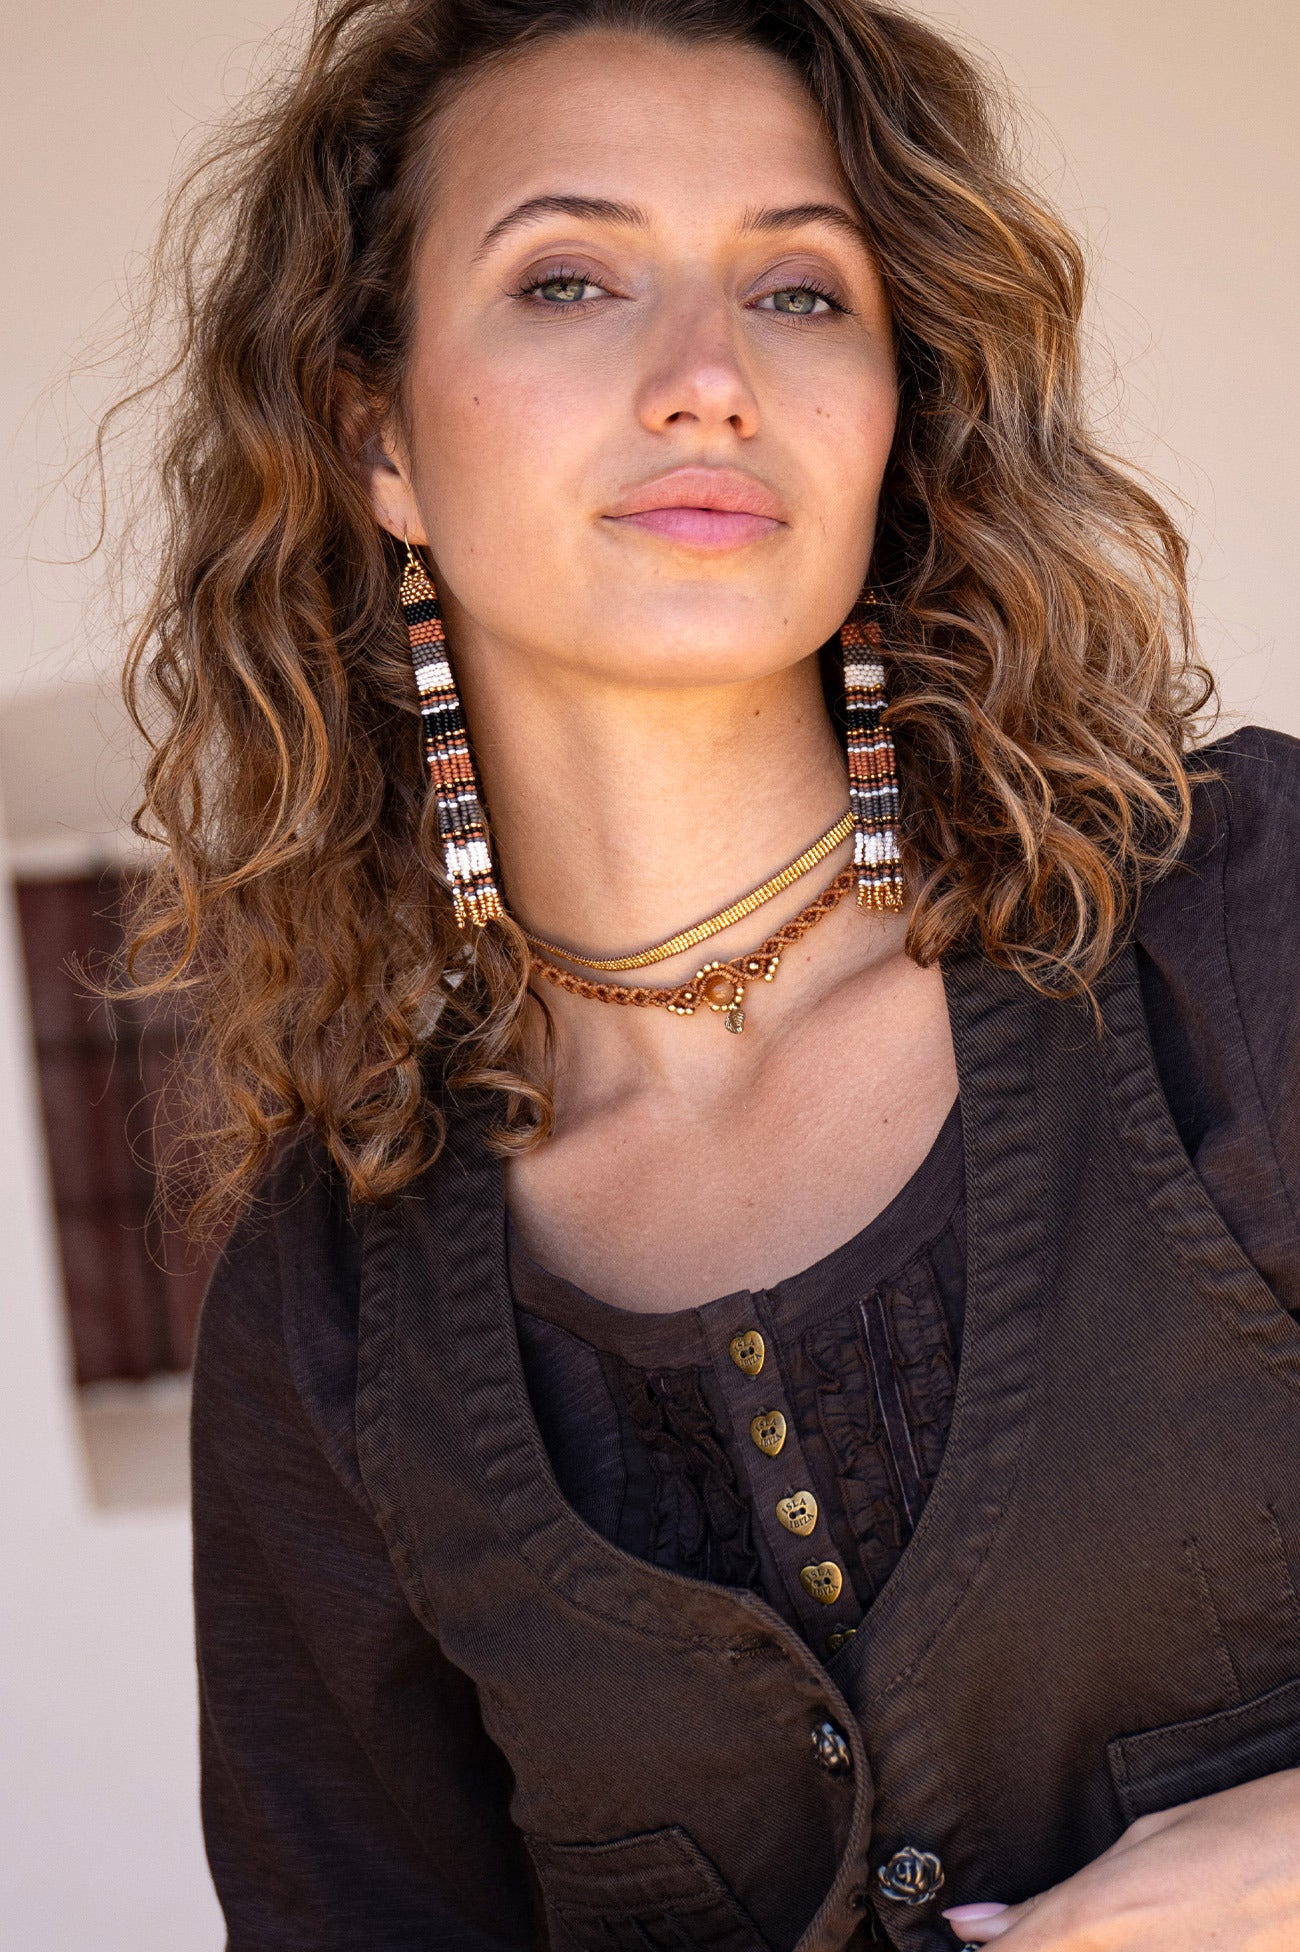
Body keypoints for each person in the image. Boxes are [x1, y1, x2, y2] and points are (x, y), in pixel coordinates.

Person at [119, 0, 1300, 1945]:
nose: (705, 381)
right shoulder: (327, 1316)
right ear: (375, 435)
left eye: (800, 292)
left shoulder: (1244, 926)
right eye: (569, 280)